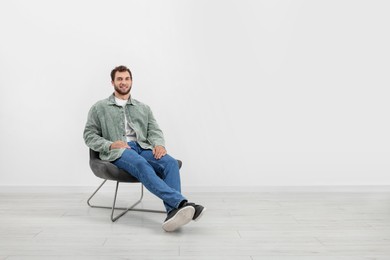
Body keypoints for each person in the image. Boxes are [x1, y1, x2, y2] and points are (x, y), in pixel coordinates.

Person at [83, 65, 205, 232]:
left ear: (131, 81)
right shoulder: (99, 107)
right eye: (119, 79)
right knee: (140, 163)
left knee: (170, 163)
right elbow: (89, 135)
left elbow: (154, 131)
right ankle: (182, 203)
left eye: (126, 79)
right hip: (119, 150)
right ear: (112, 82)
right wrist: (110, 144)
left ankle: (173, 213)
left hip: (143, 147)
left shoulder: (143, 108)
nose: (123, 82)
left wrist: (159, 145)